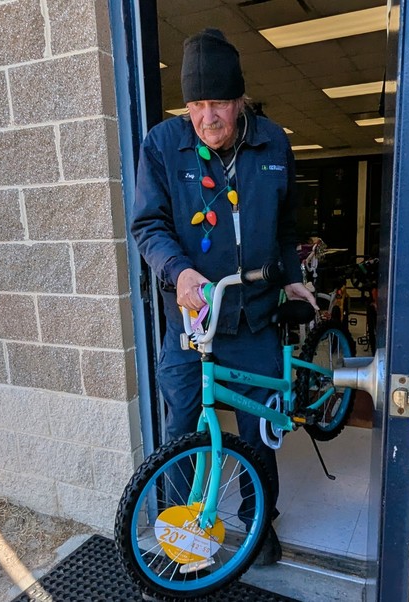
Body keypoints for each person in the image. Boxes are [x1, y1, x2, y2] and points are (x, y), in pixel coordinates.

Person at [130, 28, 316, 566]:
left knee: (259, 436)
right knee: (181, 433)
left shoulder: (274, 143)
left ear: (240, 101)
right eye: (195, 104)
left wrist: (289, 274)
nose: (206, 117)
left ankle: (258, 526)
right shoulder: (163, 145)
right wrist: (179, 270)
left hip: (255, 320)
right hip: (192, 326)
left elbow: (285, 225)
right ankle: (181, 535)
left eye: (218, 104)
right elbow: (149, 225)